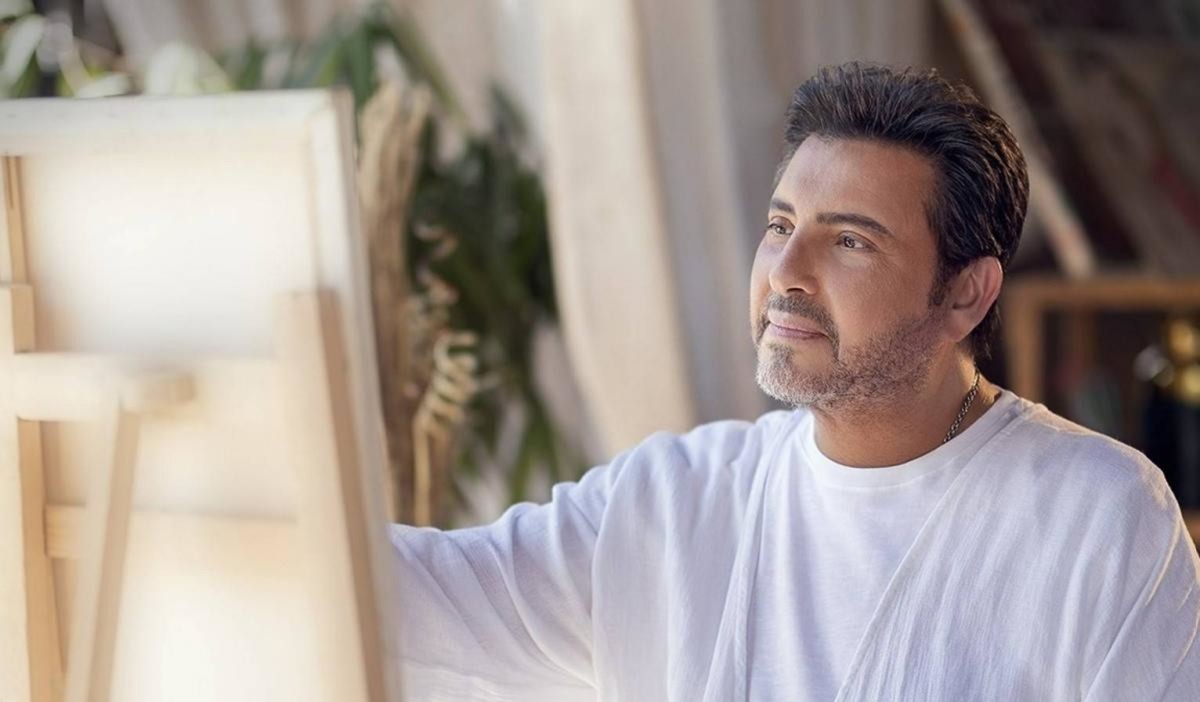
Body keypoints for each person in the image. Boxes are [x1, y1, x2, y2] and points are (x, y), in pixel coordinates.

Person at [389, 63, 1200, 701]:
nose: (785, 272)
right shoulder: (672, 501)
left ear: (965, 293)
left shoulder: (1096, 516)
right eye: (780, 225)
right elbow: (406, 605)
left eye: (850, 241)